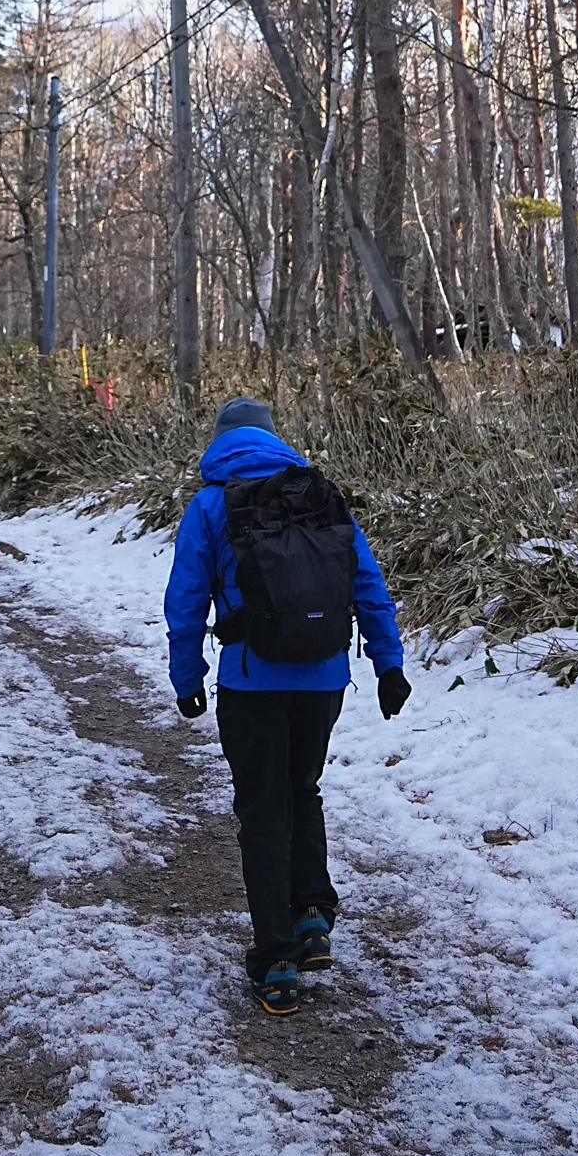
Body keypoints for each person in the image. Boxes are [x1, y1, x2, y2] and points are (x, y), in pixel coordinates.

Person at [165, 395, 409, 1018]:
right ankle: (311, 917)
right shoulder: (319, 494)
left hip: (251, 683)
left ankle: (275, 956)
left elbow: (187, 601)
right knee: (304, 790)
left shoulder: (210, 504)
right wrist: (388, 664)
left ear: (219, 442)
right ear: (275, 438)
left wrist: (187, 675)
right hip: (324, 677)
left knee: (262, 810)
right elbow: (367, 584)